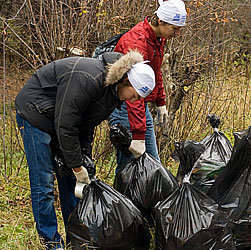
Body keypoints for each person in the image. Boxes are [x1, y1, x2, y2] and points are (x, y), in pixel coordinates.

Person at [15, 50, 155, 249]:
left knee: (71, 181)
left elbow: (86, 126)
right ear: (125, 81)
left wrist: (84, 159)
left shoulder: (112, 94)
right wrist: (77, 165)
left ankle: (76, 237)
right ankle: (52, 242)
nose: (134, 101)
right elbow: (66, 125)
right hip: (35, 112)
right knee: (44, 182)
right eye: (134, 95)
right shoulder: (88, 79)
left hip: (59, 119)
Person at [109, 0, 187, 170]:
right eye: (175, 28)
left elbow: (155, 71)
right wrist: (137, 136)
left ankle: (151, 197)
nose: (178, 33)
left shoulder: (158, 38)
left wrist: (160, 102)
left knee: (153, 166)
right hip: (125, 105)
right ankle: (123, 197)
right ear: (161, 21)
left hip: (139, 104)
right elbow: (131, 91)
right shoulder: (137, 43)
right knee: (128, 167)